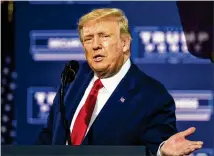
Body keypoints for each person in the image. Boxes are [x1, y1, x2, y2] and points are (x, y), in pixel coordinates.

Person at [36, 8, 203, 156]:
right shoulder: (73, 77)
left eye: (104, 36)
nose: (95, 45)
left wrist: (161, 151)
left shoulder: (152, 95)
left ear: (125, 43)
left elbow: (157, 143)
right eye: (88, 39)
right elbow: (50, 135)